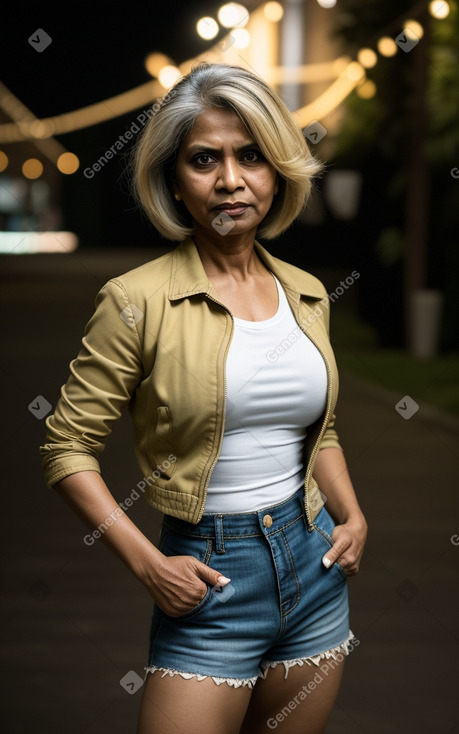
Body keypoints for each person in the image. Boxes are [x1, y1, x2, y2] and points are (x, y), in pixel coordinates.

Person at [40, 61, 367, 734]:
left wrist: (352, 515)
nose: (229, 180)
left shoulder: (305, 293)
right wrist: (150, 567)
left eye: (250, 156)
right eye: (203, 159)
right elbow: (66, 448)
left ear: (276, 168)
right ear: (173, 180)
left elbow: (318, 430)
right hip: (210, 579)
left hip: (315, 571)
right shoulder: (136, 301)